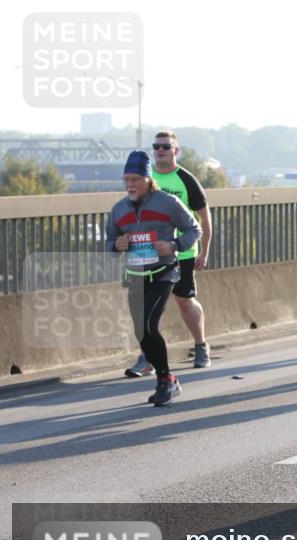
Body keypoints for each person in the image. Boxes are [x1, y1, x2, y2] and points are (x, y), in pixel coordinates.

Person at [107, 151, 200, 405]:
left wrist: (174, 245)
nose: (130, 185)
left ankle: (164, 379)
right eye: (127, 179)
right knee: (141, 331)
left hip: (164, 272)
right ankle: (168, 380)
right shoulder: (118, 210)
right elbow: (107, 245)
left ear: (148, 179)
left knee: (148, 325)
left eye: (136, 179)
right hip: (135, 276)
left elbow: (194, 229)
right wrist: (117, 244)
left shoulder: (167, 202)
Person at [125, 131, 213, 376]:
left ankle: (201, 346)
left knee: (184, 301)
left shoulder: (185, 179)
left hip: (181, 254)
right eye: (156, 146)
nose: (160, 150)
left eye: (166, 146)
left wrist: (204, 251)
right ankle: (147, 358)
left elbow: (204, 218)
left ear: (176, 150)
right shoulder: (145, 178)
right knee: (149, 309)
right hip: (148, 255)